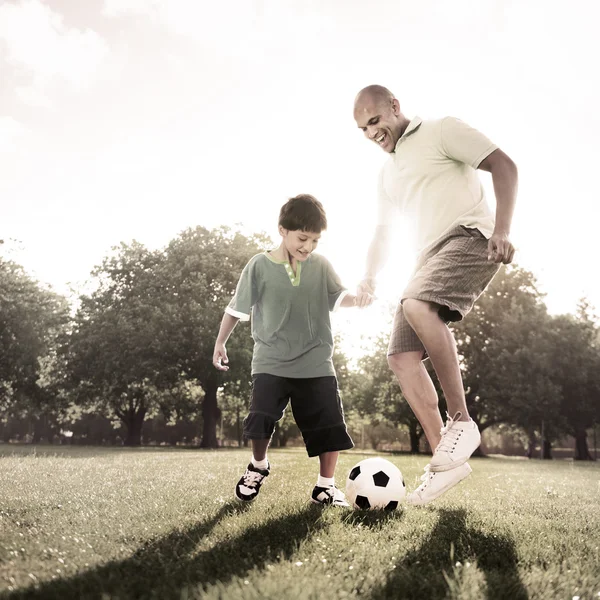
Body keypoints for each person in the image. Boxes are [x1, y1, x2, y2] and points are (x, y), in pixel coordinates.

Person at [353, 85, 518, 505]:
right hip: (426, 257)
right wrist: (369, 275)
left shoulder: (442, 130)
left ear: (394, 106)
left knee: (416, 304)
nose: (372, 132)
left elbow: (504, 165)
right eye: (363, 128)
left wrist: (501, 229)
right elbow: (383, 232)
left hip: (469, 237)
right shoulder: (386, 175)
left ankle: (460, 421)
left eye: (375, 120)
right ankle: (445, 463)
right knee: (400, 358)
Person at [213, 194, 373, 506]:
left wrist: (361, 299)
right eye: (303, 238)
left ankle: (325, 486)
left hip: (315, 362)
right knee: (260, 419)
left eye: (315, 240)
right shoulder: (258, 266)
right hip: (271, 360)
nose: (308, 247)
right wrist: (220, 343)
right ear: (283, 230)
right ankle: (258, 466)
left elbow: (340, 298)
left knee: (330, 425)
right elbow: (236, 308)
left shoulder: (321, 266)